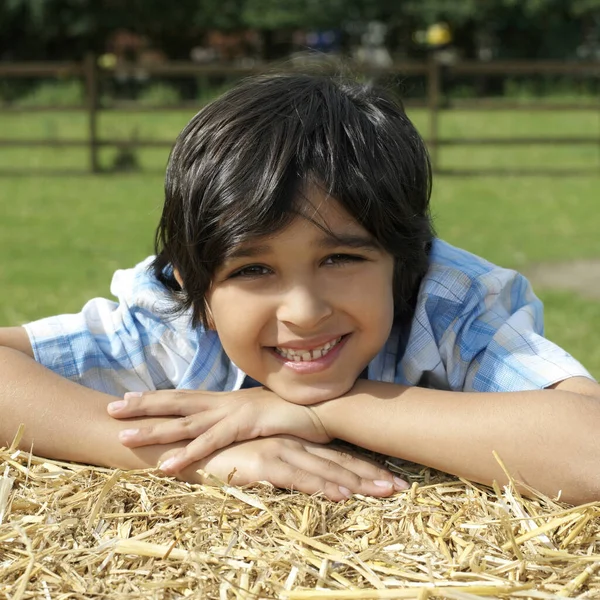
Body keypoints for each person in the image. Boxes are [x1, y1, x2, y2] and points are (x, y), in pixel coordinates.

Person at [1, 73, 598, 505]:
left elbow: (588, 446)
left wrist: (322, 412)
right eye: (252, 271)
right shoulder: (174, 321)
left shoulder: (448, 303)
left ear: (404, 257)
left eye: (340, 258)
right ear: (196, 287)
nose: (305, 312)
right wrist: (191, 457)